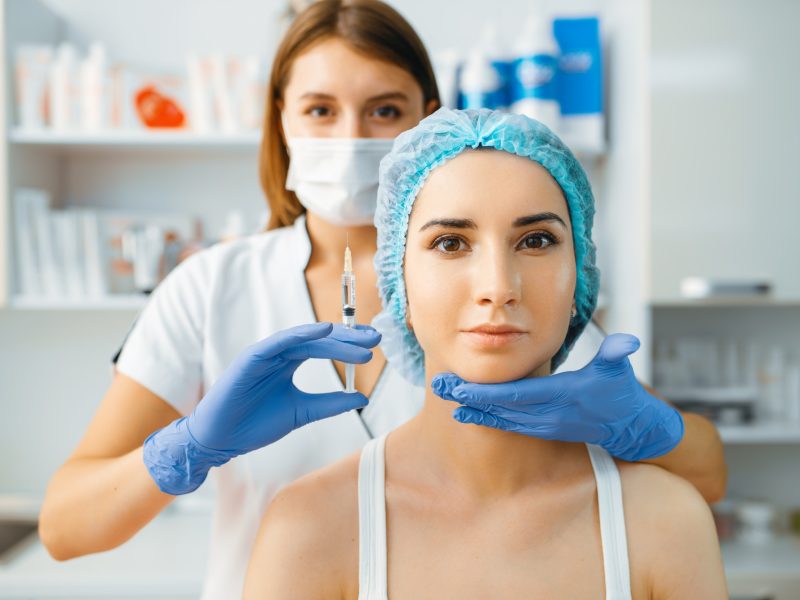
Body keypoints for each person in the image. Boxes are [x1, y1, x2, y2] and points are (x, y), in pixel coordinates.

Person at [38, 1, 725, 598]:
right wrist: (192, 446)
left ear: (429, 118)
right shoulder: (211, 288)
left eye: (384, 110)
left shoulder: (520, 304)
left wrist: (642, 426)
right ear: (280, 119)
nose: (350, 139)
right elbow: (65, 528)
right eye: (320, 110)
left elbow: (700, 475)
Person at [243, 108, 728, 599]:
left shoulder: (666, 524)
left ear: (578, 275)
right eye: (450, 243)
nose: (498, 287)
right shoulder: (308, 531)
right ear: (399, 284)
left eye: (536, 240)